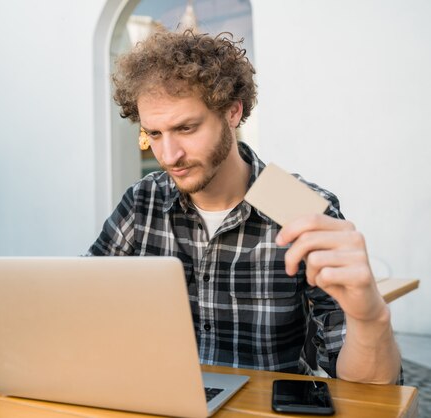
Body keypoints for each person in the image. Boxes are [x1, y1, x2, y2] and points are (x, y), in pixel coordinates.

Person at [88, 29, 401, 384]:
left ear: (232, 112)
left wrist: (370, 318)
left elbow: (373, 389)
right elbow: (82, 302)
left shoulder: (295, 204)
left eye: (187, 128)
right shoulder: (142, 201)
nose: (168, 156)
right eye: (154, 135)